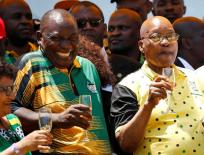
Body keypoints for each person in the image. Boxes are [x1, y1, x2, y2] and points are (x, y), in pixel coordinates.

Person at [12, 9, 111, 154]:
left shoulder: (88, 66)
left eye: (72, 38)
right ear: (40, 37)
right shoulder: (31, 64)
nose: (66, 45)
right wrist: (56, 118)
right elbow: (11, 112)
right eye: (56, 38)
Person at [110, 16, 204, 155]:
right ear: (141, 45)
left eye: (171, 36)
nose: (166, 42)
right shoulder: (128, 86)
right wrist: (148, 106)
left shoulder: (195, 78)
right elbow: (126, 144)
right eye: (156, 37)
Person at [0, 56, 52, 155]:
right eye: (5, 90)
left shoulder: (12, 120)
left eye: (12, 88)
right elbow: (21, 148)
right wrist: (20, 147)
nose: (12, 96)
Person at [0, 0, 37, 64]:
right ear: (1, 22)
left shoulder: (45, 53)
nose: (25, 21)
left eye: (29, 17)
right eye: (17, 17)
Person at [108, 9, 142, 81]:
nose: (115, 33)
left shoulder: (152, 65)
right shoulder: (101, 65)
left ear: (139, 32)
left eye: (122, 28)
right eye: (111, 29)